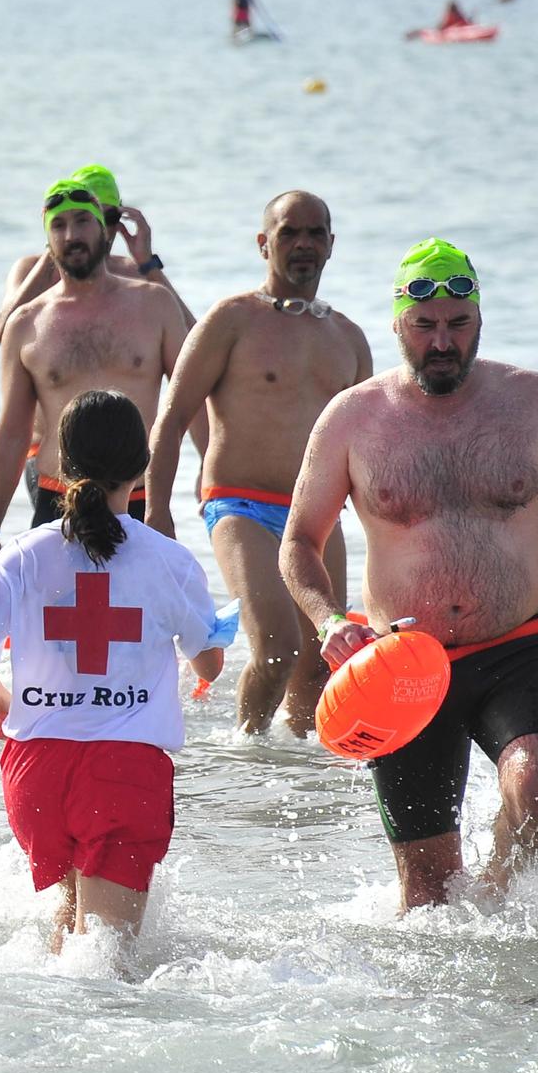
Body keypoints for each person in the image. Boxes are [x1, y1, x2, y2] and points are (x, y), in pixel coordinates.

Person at [280, 239, 538, 911]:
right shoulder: (353, 419)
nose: (442, 342)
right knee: (427, 898)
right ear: (397, 323)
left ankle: (496, 898)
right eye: (425, 326)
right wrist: (329, 622)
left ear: (479, 321)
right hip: (400, 668)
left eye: (458, 324)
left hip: (518, 649)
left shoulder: (533, 402)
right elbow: (298, 545)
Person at [0, 389, 226, 960]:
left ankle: (40, 1039)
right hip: (123, 771)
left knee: (72, 921)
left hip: (35, 773)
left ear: (61, 466)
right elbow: (208, 662)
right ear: (142, 466)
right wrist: (209, 651)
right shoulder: (169, 561)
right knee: (108, 961)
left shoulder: (22, 554)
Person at [144, 192, 372, 736]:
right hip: (239, 505)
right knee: (276, 650)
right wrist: (157, 512)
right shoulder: (232, 320)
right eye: (289, 232)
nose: (303, 245)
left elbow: (367, 451)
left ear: (331, 246)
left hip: (315, 517)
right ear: (263, 242)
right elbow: (171, 418)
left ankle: (291, 773)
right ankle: (245, 750)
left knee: (319, 662)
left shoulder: (348, 338)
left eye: (316, 234)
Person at [0, 179, 197, 580]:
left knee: (149, 627)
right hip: (56, 497)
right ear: (47, 238)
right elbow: (12, 431)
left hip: (139, 498)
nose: (71, 235)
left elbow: (187, 403)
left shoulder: (153, 305)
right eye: (58, 225)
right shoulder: (28, 324)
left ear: (104, 229)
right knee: (50, 630)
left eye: (82, 221)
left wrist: (203, 473)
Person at [0, 164, 189, 343]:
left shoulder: (137, 275)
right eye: (84, 219)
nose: (103, 229)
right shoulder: (29, 269)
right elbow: (4, 333)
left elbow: (197, 349)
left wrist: (147, 264)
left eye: (110, 217)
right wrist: (56, 250)